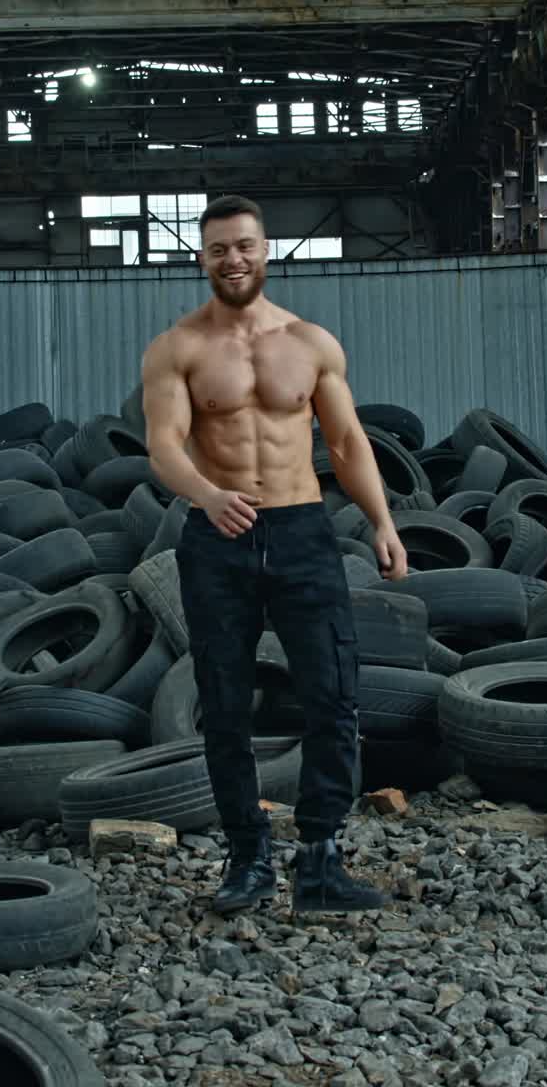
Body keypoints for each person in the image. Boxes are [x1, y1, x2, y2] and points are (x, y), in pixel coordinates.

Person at [140, 193, 409, 917]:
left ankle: (321, 862)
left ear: (267, 251)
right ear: (201, 258)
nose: (234, 259)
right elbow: (164, 445)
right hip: (218, 537)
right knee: (225, 707)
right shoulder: (178, 348)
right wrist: (204, 494)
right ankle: (248, 860)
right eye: (220, 248)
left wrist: (382, 523)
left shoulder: (311, 342)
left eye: (246, 246)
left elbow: (348, 445)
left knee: (332, 695)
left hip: (302, 532)